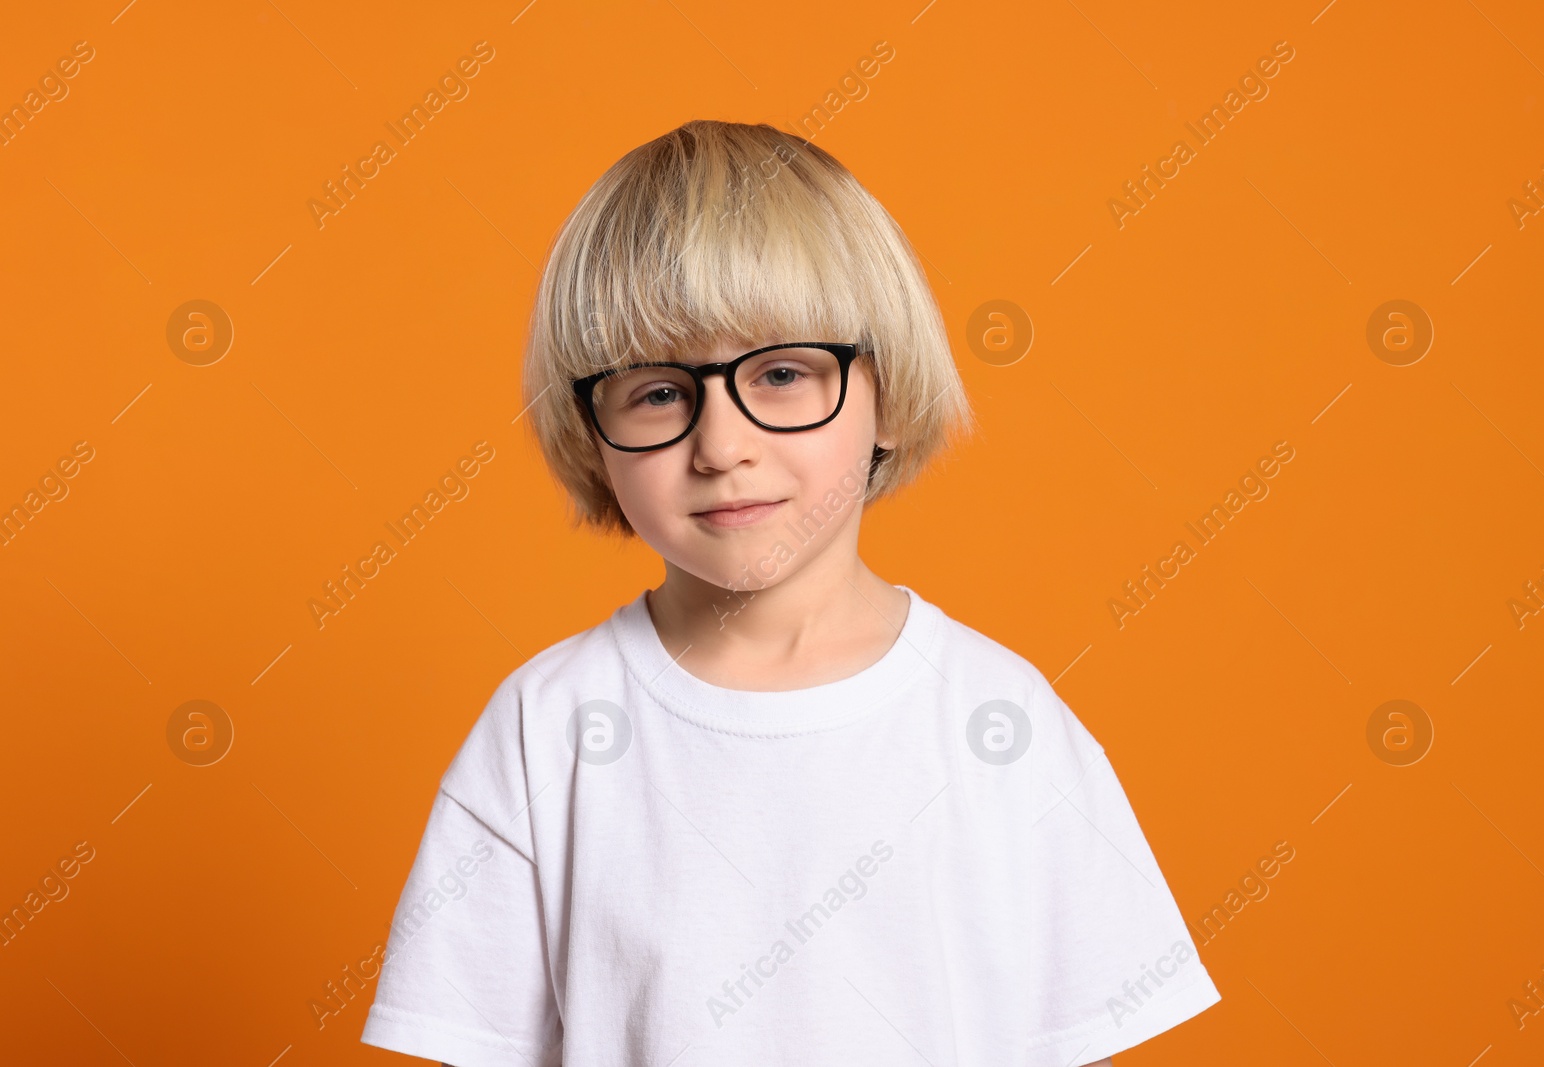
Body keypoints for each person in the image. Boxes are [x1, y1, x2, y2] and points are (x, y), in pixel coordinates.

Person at [359, 119, 1219, 1067]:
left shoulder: (999, 719)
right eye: (656, 390)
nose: (722, 445)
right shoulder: (545, 729)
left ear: (885, 392)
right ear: (590, 433)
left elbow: (1081, 1037)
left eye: (780, 373)